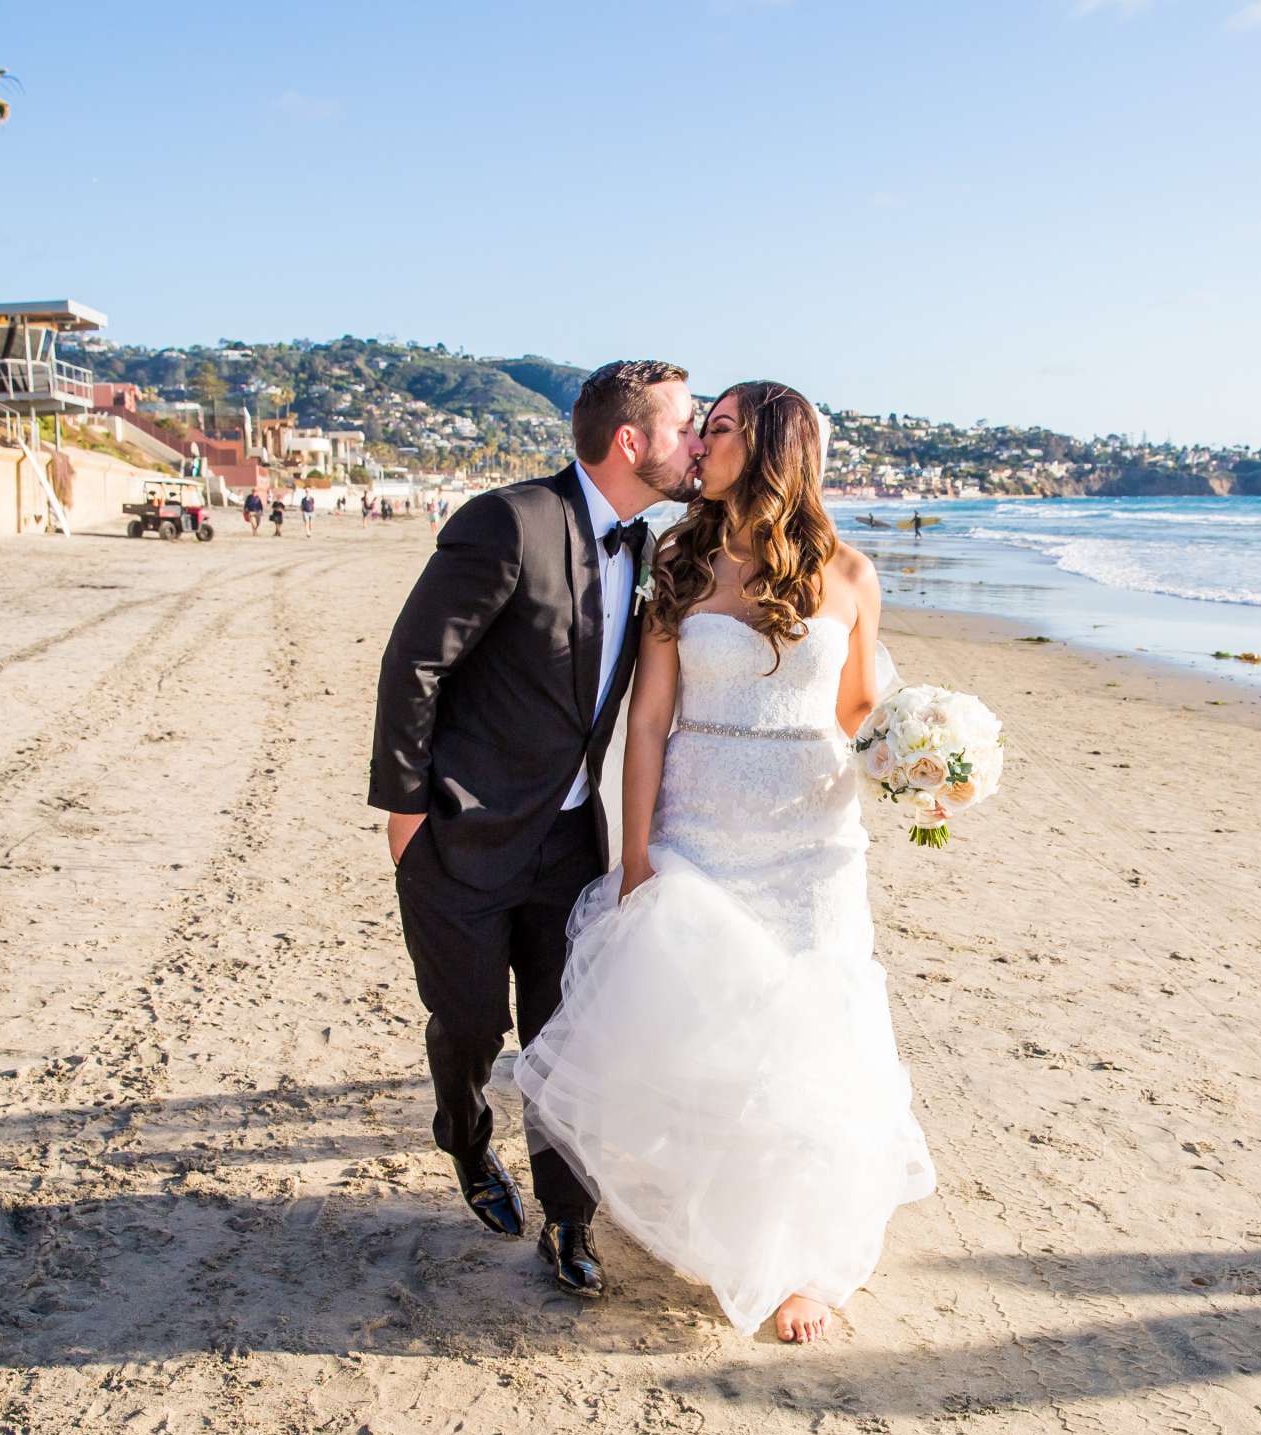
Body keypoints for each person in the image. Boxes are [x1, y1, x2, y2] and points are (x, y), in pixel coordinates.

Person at [515, 380, 933, 1344]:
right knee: (711, 1037)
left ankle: (801, 1266)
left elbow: (865, 713)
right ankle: (720, 1222)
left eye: (723, 427)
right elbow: (649, 722)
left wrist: (927, 761)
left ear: (775, 446)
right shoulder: (682, 559)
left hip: (811, 846)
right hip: (698, 834)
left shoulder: (851, 575)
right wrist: (635, 859)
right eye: (702, 425)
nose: (702, 442)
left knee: (809, 1043)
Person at [370, 360, 703, 1300]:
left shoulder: (651, 549)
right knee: (471, 1025)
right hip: (460, 837)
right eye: (684, 426)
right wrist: (403, 812)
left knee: (563, 1034)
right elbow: (415, 665)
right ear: (632, 442)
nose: (695, 441)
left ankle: (568, 1218)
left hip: (567, 847)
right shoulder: (508, 521)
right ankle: (465, 1138)